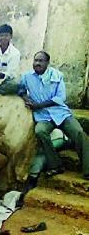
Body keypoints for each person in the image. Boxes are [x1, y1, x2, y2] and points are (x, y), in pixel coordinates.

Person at [18, 51, 88, 180]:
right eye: (35, 60)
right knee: (40, 131)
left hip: (60, 113)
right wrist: (25, 98)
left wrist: (39, 105)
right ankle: (55, 165)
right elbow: (21, 89)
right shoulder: (27, 77)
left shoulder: (57, 75)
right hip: (43, 117)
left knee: (78, 132)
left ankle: (87, 169)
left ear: (47, 63)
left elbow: (60, 98)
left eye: (41, 61)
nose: (37, 63)